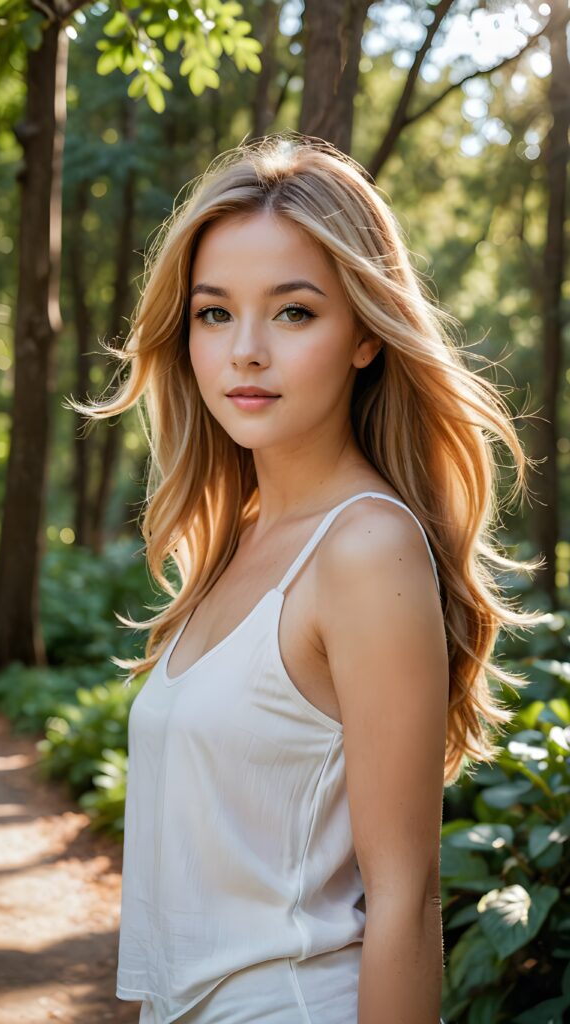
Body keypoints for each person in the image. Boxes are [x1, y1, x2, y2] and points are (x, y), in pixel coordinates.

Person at [68, 133, 544, 1024]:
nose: (245, 351)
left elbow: (405, 903)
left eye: (293, 312)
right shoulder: (236, 542)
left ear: (365, 333)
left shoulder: (365, 550)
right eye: (214, 313)